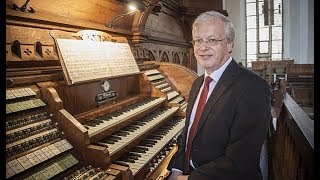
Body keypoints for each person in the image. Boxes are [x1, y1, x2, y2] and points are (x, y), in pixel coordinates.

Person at [167, 10, 272, 180]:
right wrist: (177, 168)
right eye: (198, 40)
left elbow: (241, 162)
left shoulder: (254, 88)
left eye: (212, 40)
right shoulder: (197, 83)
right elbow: (188, 133)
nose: (203, 47)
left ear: (230, 45)